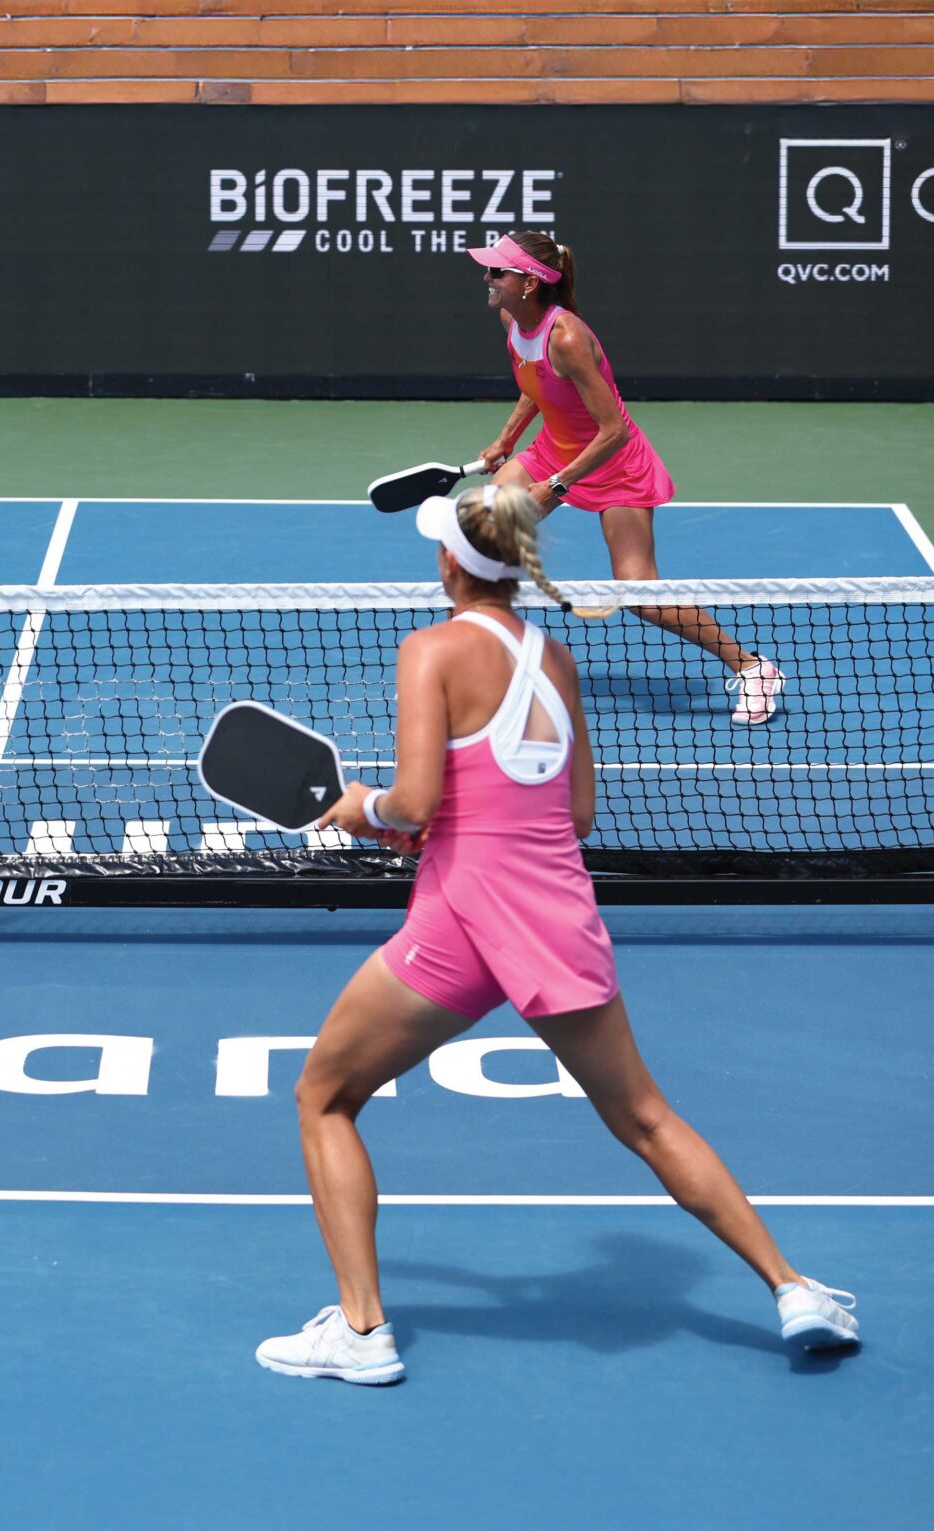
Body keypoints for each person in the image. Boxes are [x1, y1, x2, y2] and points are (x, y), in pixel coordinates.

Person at [254, 486, 857, 1384]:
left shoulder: (430, 652)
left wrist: (359, 809)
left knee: (325, 1097)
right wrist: (442, 818)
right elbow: (574, 813)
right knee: (647, 1118)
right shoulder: (557, 658)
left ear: (454, 564)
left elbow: (414, 803)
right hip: (557, 921)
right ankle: (793, 1287)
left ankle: (363, 1331)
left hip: (462, 924)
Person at [466, 230, 784, 726]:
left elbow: (613, 429)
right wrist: (506, 438)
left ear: (529, 283)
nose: (486, 278)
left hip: (614, 462)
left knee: (642, 596)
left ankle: (752, 668)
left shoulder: (567, 336)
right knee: (484, 533)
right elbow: (539, 384)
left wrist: (554, 488)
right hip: (556, 446)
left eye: (496, 271)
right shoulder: (513, 319)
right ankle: (482, 663)